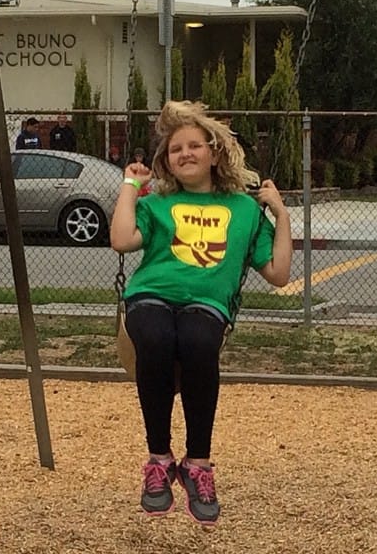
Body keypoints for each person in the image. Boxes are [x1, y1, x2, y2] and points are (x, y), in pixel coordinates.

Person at [110, 100, 292, 526]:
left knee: (197, 342)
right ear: (166, 161)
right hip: (150, 295)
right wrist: (129, 186)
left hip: (206, 306)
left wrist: (281, 214)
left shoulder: (245, 210)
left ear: (214, 152)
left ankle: (198, 463)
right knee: (154, 337)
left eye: (194, 146)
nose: (185, 154)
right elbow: (120, 240)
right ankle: (158, 460)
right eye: (176, 149)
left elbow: (279, 274)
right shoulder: (157, 203)